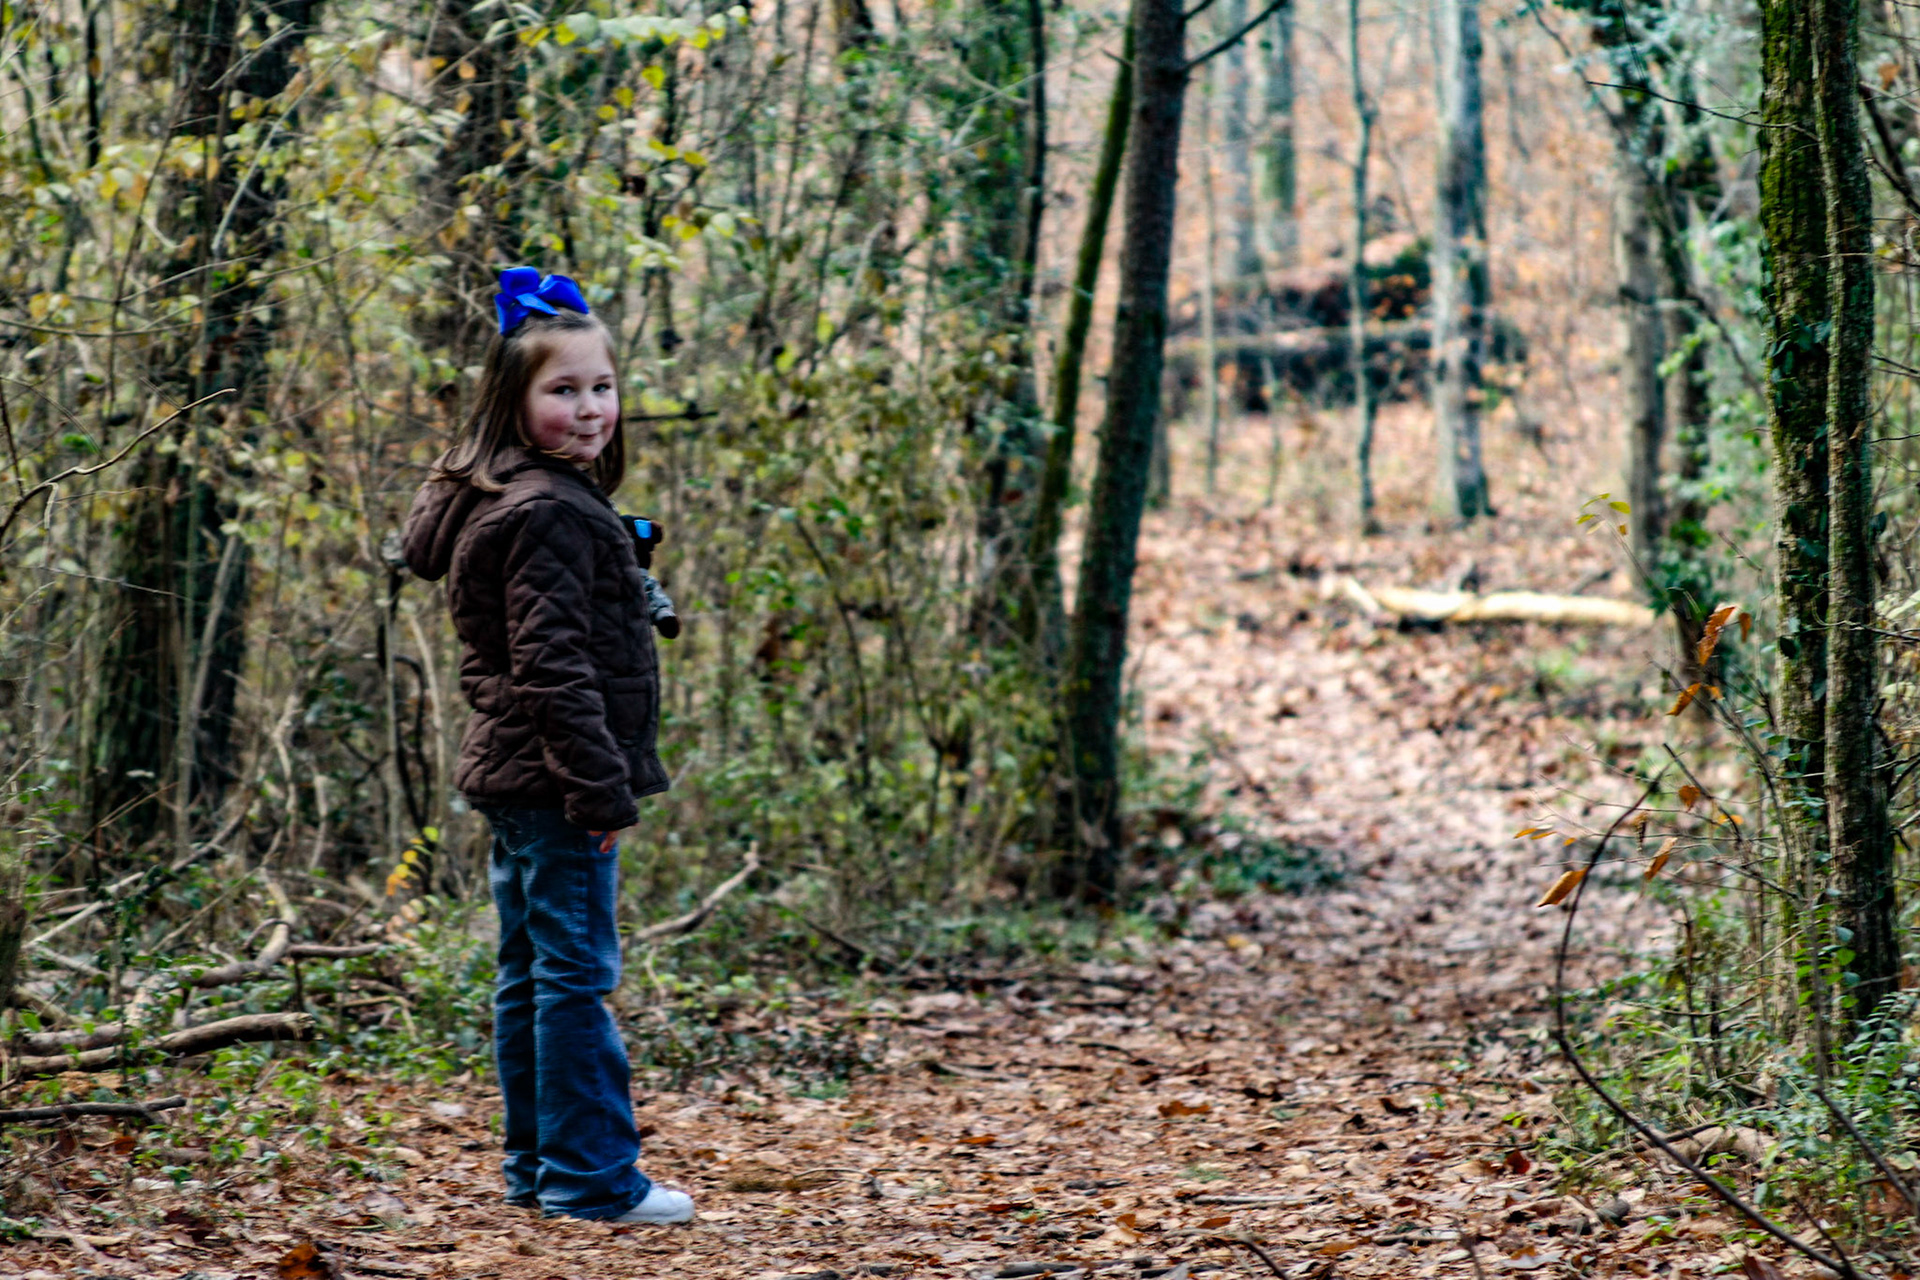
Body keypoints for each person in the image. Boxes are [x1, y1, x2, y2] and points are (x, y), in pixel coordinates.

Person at [401, 268, 693, 1225]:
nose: (589, 408)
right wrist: (601, 795)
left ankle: (540, 1171)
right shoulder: (551, 512)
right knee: (574, 981)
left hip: (517, 775)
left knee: (532, 974)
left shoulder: (515, 494)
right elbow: (553, 668)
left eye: (600, 387)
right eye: (561, 391)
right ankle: (592, 1179)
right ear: (514, 403)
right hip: (556, 779)